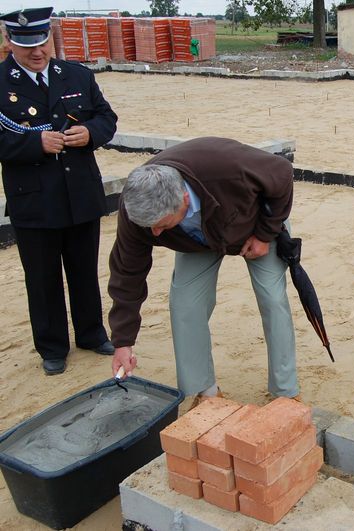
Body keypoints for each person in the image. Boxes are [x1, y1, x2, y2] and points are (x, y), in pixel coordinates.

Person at [108, 137, 299, 406]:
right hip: (197, 240)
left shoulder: (226, 167)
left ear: (184, 199)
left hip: (255, 223)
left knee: (273, 298)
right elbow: (127, 274)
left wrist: (264, 235)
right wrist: (123, 341)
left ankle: (286, 392)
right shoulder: (136, 212)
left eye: (162, 225)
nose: (155, 234)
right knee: (184, 304)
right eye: (149, 226)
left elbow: (281, 173)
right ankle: (205, 393)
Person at [0, 7, 118, 375]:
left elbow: (106, 118)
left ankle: (91, 333)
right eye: (26, 46)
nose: (37, 52)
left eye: (41, 42)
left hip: (79, 193)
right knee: (42, 276)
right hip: (34, 200)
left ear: (50, 36)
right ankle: (52, 346)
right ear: (8, 41)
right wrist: (34, 145)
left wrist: (90, 134)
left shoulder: (76, 75)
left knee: (84, 270)